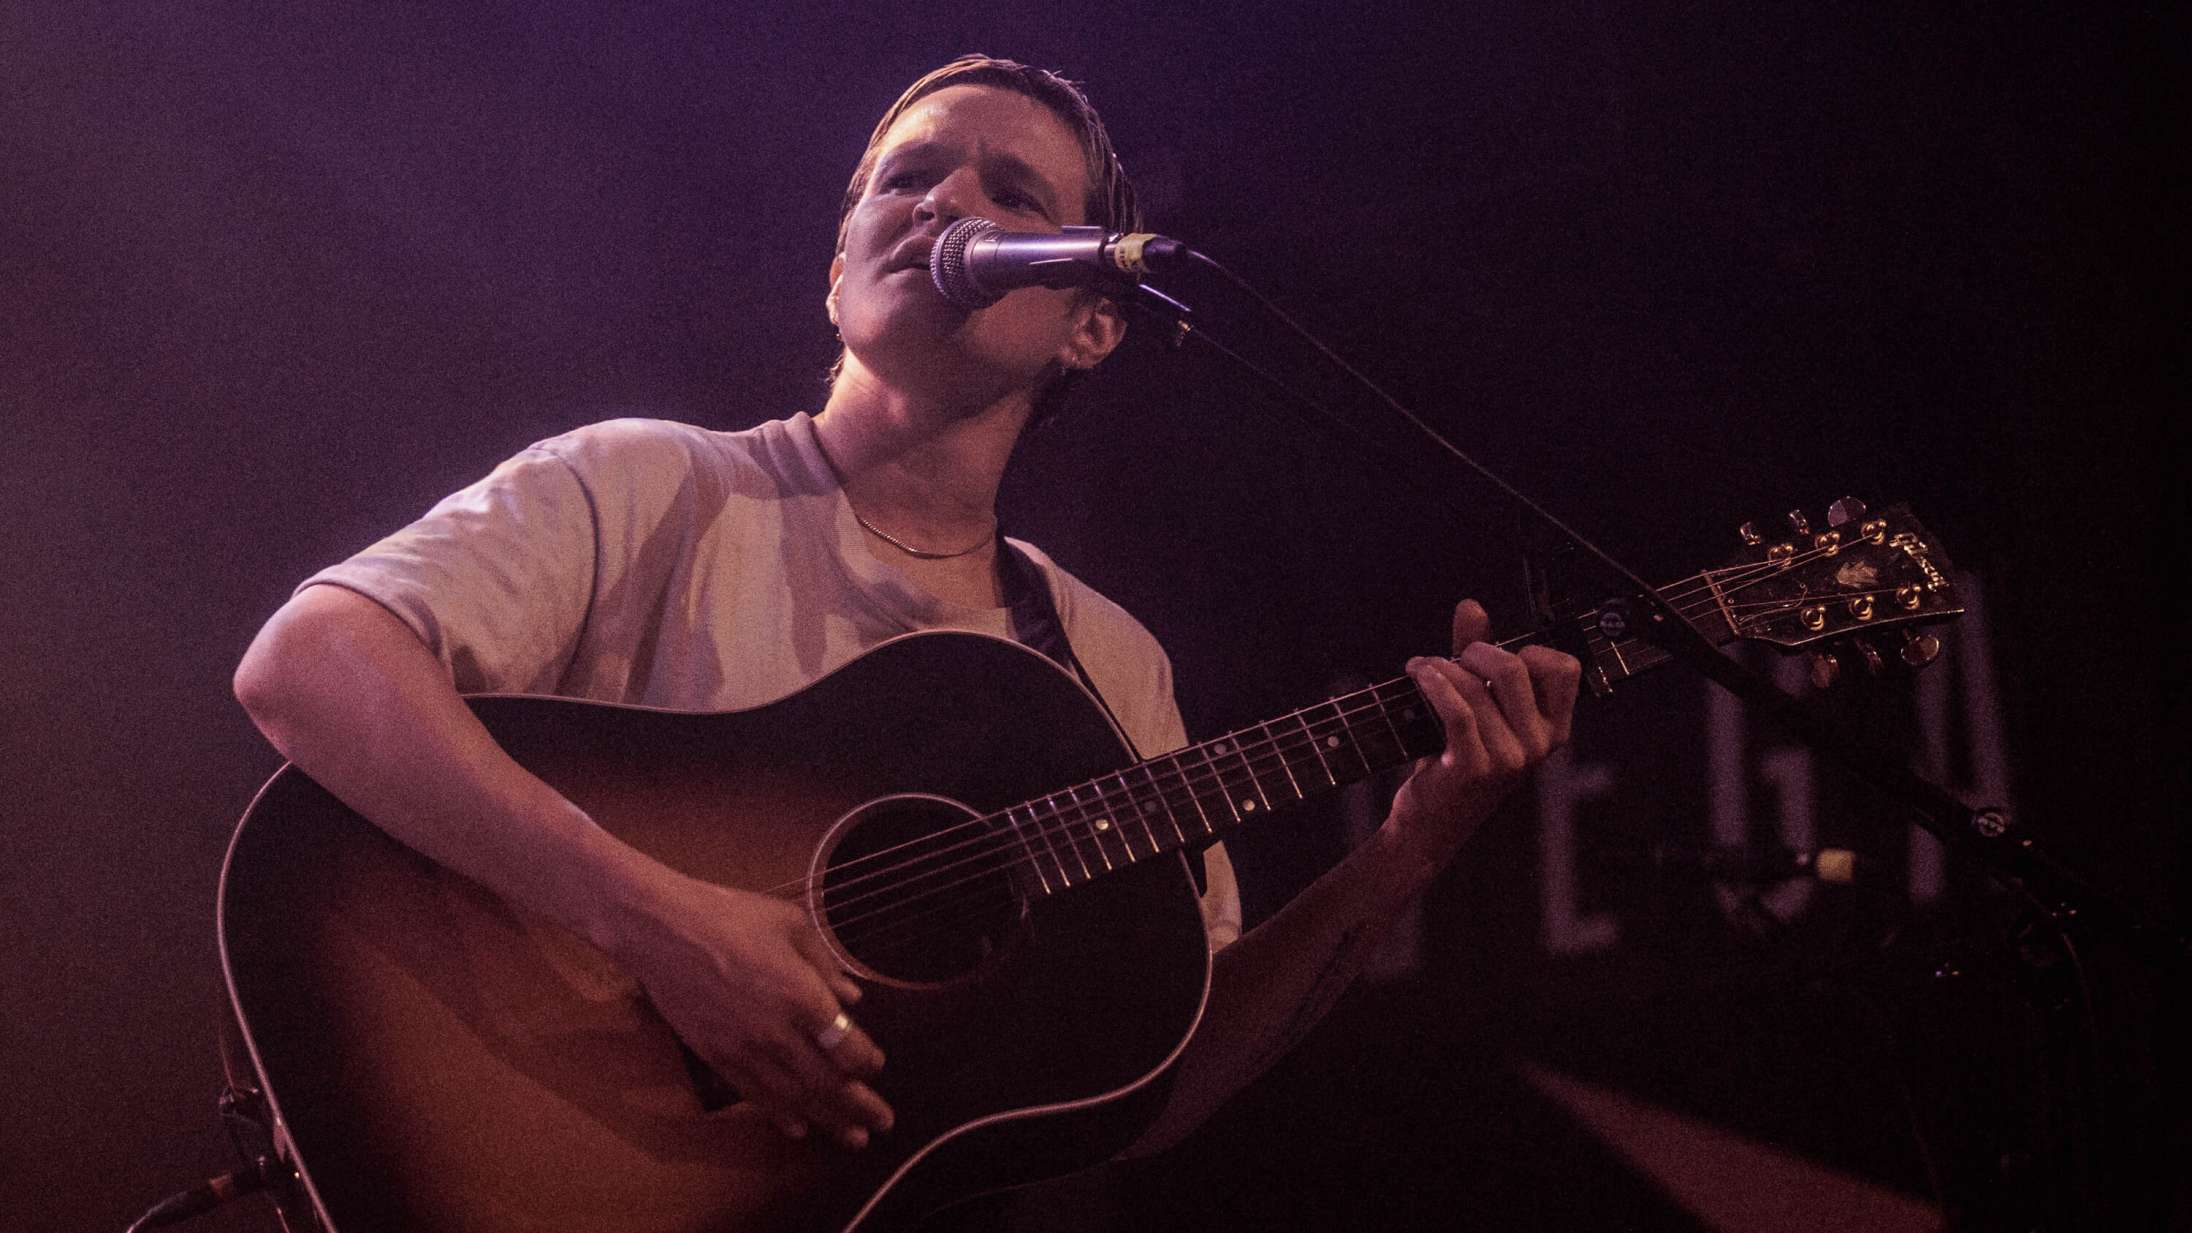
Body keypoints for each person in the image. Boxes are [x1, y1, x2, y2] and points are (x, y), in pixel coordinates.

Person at [232, 53, 1580, 1215]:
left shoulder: (1106, 662)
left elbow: (1151, 1088)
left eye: (1014, 194)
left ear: (1093, 323)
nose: (945, 203)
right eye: (909, 177)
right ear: (838, 274)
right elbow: (308, 664)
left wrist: (1407, 852)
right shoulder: (653, 485)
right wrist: (655, 922)